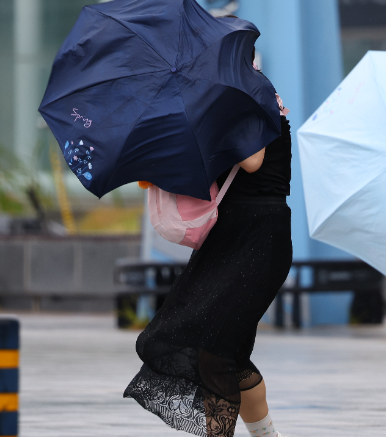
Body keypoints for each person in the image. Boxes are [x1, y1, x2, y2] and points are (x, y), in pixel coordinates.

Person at [124, 57, 292, 437]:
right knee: (224, 352)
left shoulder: (254, 92)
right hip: (230, 235)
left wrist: (208, 118)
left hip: (260, 235)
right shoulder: (231, 97)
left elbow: (253, 160)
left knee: (216, 352)